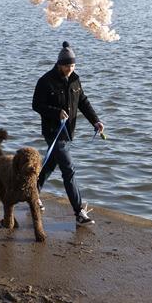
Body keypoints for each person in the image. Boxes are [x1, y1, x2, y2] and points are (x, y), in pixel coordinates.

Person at [32, 41, 104, 225]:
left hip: (68, 132)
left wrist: (95, 121)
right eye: (66, 66)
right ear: (58, 64)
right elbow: (36, 105)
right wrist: (55, 112)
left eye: (72, 66)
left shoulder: (75, 79)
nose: (69, 69)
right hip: (53, 131)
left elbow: (83, 102)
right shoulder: (45, 81)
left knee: (49, 166)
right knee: (69, 169)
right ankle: (79, 211)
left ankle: (32, 194)